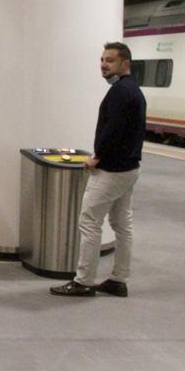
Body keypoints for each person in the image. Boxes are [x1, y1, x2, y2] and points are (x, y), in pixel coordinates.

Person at [51, 42, 146, 298]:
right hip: (129, 168)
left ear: (125, 64)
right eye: (102, 60)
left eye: (110, 60)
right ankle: (118, 279)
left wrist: (98, 157)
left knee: (90, 221)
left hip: (111, 170)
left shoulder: (120, 92)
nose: (104, 65)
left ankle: (83, 281)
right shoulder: (133, 90)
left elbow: (113, 129)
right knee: (121, 223)